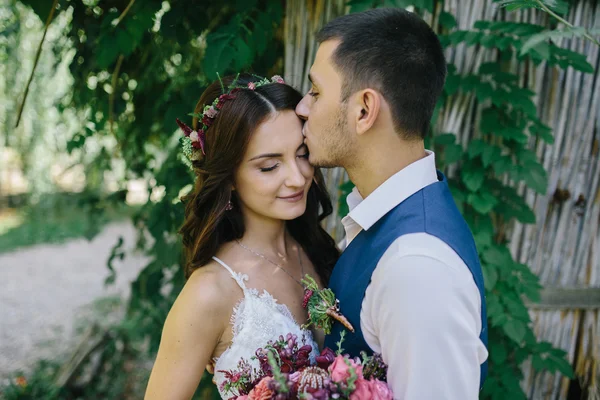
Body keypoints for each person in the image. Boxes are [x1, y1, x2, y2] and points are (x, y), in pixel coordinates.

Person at [295, 8, 489, 399]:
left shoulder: (416, 266)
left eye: (316, 91)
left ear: (364, 110)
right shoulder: (390, 224)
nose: (303, 107)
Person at [145, 74, 339, 400]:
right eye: (269, 166)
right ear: (230, 177)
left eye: (302, 153)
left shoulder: (322, 251)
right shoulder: (209, 293)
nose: (297, 177)